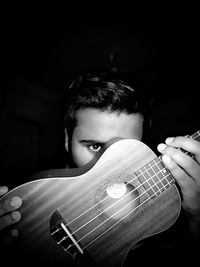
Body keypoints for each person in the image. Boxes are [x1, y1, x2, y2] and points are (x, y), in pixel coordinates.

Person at [0, 68, 200, 265]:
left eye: (123, 150)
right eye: (95, 146)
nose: (108, 166)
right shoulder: (32, 193)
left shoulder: (167, 209)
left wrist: (197, 218)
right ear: (68, 140)